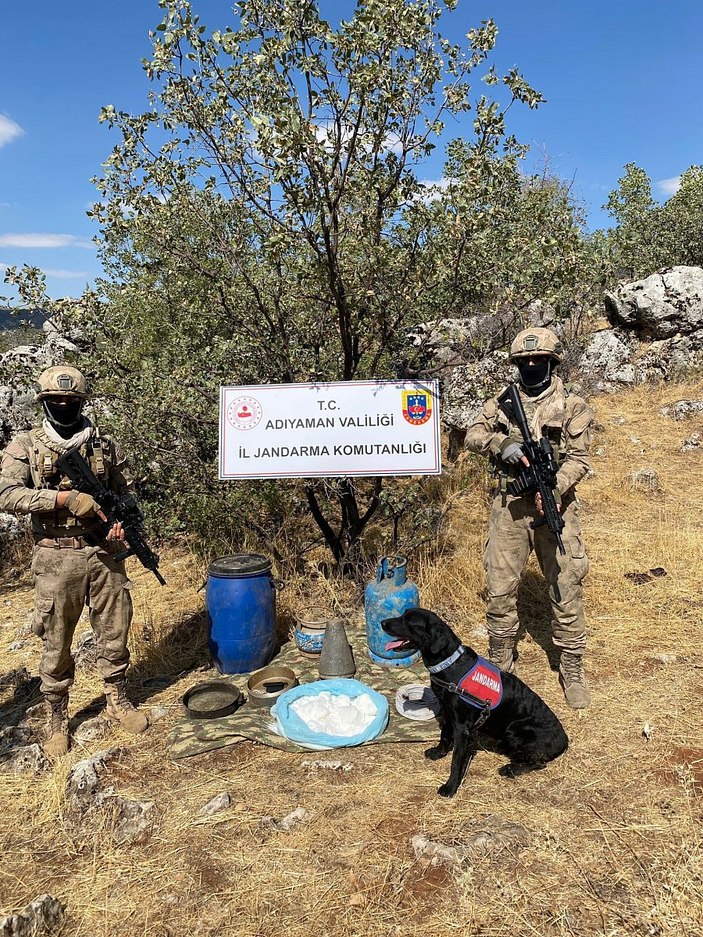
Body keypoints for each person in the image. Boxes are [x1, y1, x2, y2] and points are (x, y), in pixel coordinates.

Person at [0, 365, 148, 756]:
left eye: (71, 401)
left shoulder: (104, 444)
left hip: (103, 552)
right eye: (55, 401)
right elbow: (6, 493)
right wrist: (61, 500)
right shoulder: (27, 444)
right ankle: (57, 716)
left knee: (115, 628)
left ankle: (116, 696)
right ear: (44, 402)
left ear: (82, 402)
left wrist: (120, 523)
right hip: (55, 554)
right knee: (56, 638)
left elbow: (125, 492)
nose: (64, 405)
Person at [464, 327, 593, 708]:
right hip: (509, 508)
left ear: (553, 362)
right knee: (500, 586)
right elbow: (472, 433)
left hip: (557, 504)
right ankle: (500, 664)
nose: (532, 365)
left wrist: (553, 489)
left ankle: (572, 667)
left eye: (539, 360)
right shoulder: (502, 402)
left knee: (565, 584)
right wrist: (499, 442)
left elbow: (579, 460)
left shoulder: (573, 405)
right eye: (525, 361)